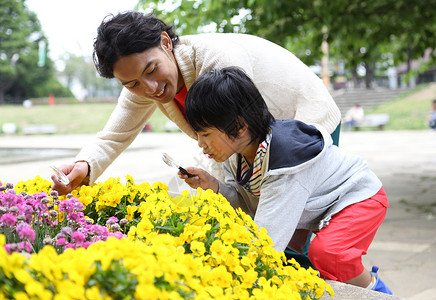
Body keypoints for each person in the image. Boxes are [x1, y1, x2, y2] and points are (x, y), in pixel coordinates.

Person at [50, 10, 341, 195]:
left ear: (166, 42)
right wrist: (85, 166)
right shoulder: (141, 86)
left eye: (151, 70)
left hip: (305, 120)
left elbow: (239, 135)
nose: (149, 88)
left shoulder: (218, 60)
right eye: (132, 84)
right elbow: (113, 136)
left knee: (292, 227)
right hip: (253, 141)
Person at [179, 67, 392, 294]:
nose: (200, 144)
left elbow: (265, 244)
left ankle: (378, 292)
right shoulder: (238, 154)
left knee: (330, 254)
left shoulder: (285, 163)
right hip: (324, 202)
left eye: (206, 134)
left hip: (360, 195)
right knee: (323, 262)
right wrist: (214, 186)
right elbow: (249, 202)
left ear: (239, 127)